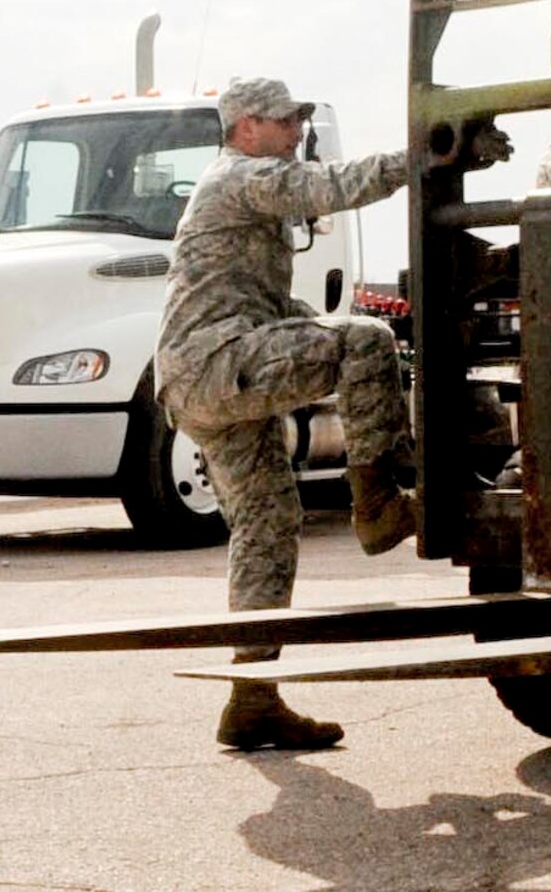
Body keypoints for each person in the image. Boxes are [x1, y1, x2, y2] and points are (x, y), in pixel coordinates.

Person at [156, 77, 423, 751]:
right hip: (219, 365)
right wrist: (424, 155)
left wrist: (309, 327)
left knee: (268, 522)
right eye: (284, 120)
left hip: (202, 376)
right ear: (246, 128)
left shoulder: (240, 190)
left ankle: (252, 699)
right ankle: (377, 502)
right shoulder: (242, 177)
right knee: (367, 340)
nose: (297, 129)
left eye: (301, 118)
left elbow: (261, 308)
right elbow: (330, 187)